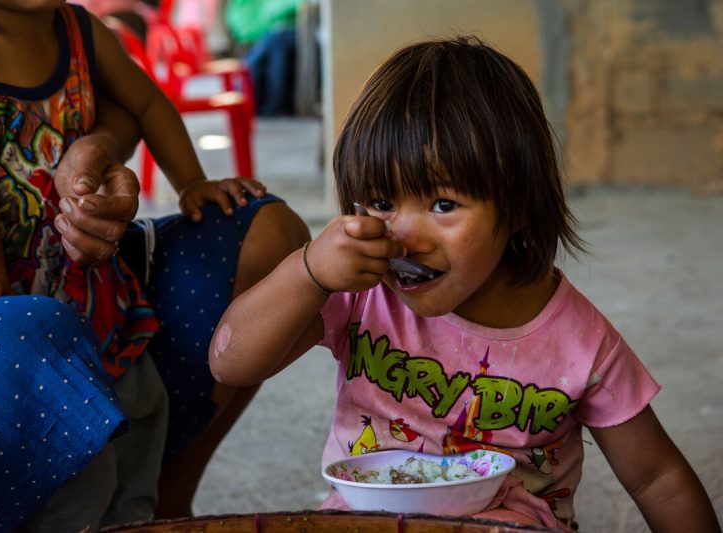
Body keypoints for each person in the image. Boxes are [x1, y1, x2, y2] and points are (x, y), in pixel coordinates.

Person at [208, 36, 721, 531]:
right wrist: (309, 272)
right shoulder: (360, 292)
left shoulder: (582, 344)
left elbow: (658, 479)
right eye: (382, 203)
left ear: (518, 206)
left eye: (443, 205)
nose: (404, 237)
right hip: (363, 517)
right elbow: (231, 362)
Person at [0, 1, 309, 530]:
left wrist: (190, 183)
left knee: (134, 449)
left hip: (94, 291)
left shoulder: (80, 31)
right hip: (4, 303)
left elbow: (147, 103)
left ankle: (155, 513)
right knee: (77, 472)